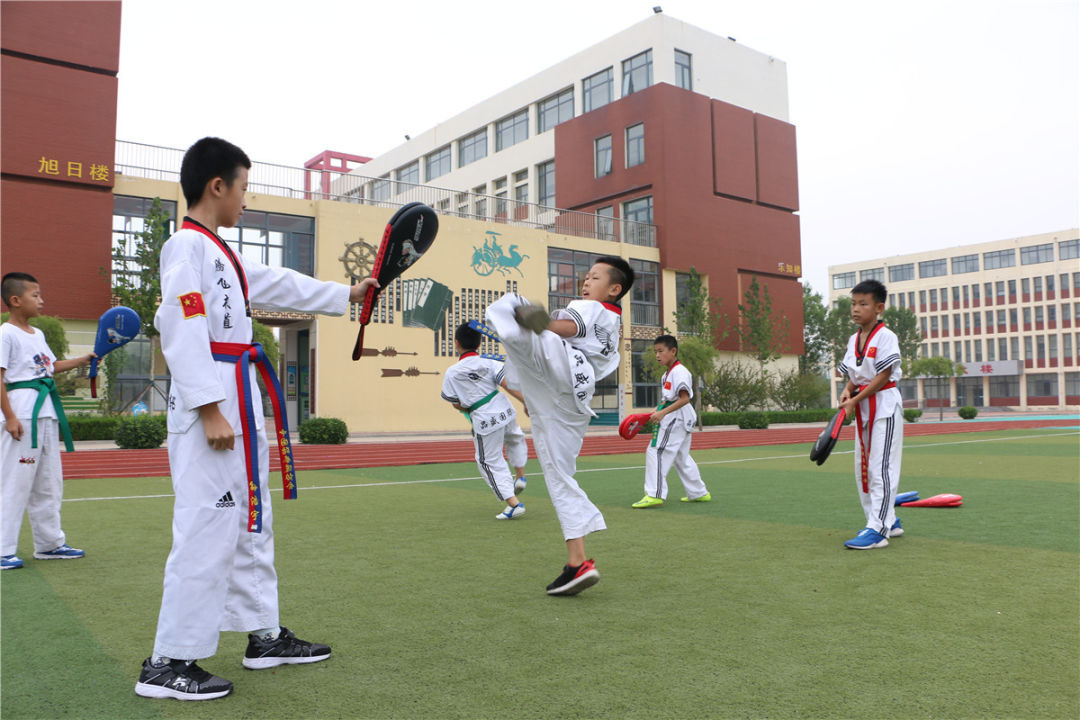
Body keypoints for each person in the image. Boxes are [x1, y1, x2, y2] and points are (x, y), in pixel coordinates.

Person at [135, 137, 379, 701]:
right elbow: (181, 325)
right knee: (207, 522)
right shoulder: (184, 247)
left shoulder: (222, 253)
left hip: (237, 390)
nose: (246, 198)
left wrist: (347, 292)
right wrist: (208, 406)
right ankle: (168, 660)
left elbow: (279, 282)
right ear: (216, 185)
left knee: (251, 516)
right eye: (244, 186)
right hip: (214, 398)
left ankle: (263, 635)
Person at [484, 256, 633, 596]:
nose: (586, 282)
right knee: (559, 475)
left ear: (614, 289)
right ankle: (577, 563)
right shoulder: (613, 325)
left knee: (509, 305)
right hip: (574, 399)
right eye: (586, 277)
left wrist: (537, 322)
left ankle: (519, 338)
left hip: (564, 363)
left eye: (594, 277)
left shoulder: (594, 308)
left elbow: (569, 328)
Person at [1, 272, 95, 571]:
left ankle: (50, 543)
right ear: (15, 300)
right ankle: (3, 549)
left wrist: (83, 360)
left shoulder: (37, 335)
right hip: (22, 414)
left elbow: (50, 367)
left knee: (48, 483)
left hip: (46, 414)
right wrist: (10, 417)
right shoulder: (6, 334)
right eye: (35, 295)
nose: (42, 301)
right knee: (14, 483)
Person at [837, 279, 904, 550]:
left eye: (863, 304)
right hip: (864, 407)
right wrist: (847, 390)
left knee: (881, 468)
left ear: (878, 307)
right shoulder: (854, 339)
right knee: (862, 468)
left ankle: (878, 530)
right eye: (853, 303)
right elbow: (856, 375)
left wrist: (855, 399)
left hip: (884, 405)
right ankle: (886, 520)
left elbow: (883, 375)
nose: (856, 309)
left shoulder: (886, 336)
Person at [441, 322, 529, 520]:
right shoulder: (490, 362)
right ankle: (520, 475)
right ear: (479, 343)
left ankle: (514, 504)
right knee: (515, 438)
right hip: (505, 409)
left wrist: (470, 408)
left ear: (457, 343)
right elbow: (507, 384)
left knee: (488, 461)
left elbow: (455, 403)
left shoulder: (452, 372)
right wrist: (526, 402)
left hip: (485, 418)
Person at [632, 334, 710, 508]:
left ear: (673, 351)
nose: (657, 355)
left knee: (656, 450)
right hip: (680, 417)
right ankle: (699, 493)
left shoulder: (679, 371)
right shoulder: (668, 373)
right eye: (655, 352)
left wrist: (663, 414)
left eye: (661, 351)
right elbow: (667, 399)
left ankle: (654, 494)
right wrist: (653, 412)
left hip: (678, 418)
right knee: (681, 457)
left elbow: (684, 398)